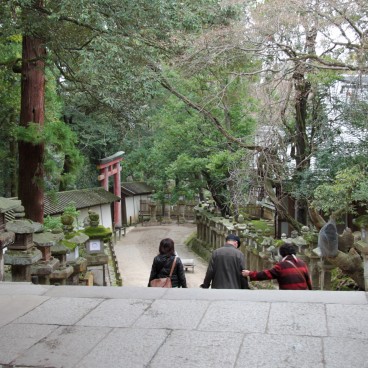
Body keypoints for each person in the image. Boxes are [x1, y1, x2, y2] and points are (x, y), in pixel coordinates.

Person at [242, 243, 312, 290]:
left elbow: (266, 275)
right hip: (302, 294)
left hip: (287, 295)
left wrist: (250, 274)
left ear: (282, 254)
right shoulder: (302, 263)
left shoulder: (281, 265)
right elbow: (308, 280)